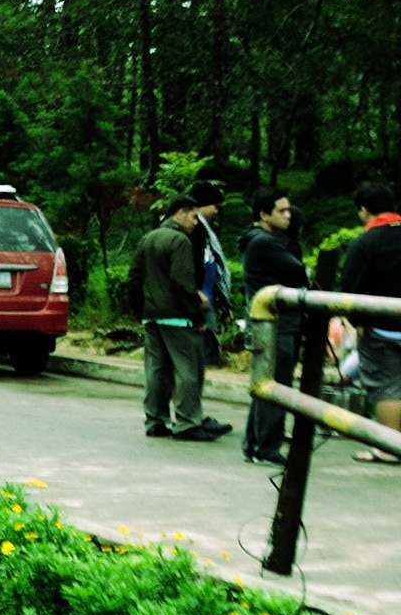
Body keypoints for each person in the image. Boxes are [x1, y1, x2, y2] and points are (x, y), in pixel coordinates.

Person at [130, 195, 228, 442]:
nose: (196, 222)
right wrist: (197, 317)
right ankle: (187, 422)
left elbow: (133, 279)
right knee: (188, 369)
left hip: (152, 317)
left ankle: (155, 420)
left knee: (156, 370)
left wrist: (141, 311)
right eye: (194, 216)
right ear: (181, 213)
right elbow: (183, 283)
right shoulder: (179, 241)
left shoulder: (148, 238)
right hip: (177, 317)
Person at [239, 186, 306, 465]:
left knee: (265, 384)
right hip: (276, 325)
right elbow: (300, 271)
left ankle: (254, 444)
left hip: (271, 324)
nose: (289, 215)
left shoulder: (260, 240)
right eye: (282, 210)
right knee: (276, 386)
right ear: (264, 214)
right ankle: (266, 447)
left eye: (289, 209)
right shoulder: (265, 242)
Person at [340, 181, 401, 452]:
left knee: (388, 388)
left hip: (382, 330)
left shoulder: (365, 242)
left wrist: (358, 323)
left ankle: (388, 449)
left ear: (364, 211)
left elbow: (350, 289)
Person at [187, 181, 231, 364]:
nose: (216, 211)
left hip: (207, 302)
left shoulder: (204, 232)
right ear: (202, 204)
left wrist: (222, 302)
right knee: (206, 356)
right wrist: (195, 292)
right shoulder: (194, 231)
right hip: (198, 302)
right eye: (214, 206)